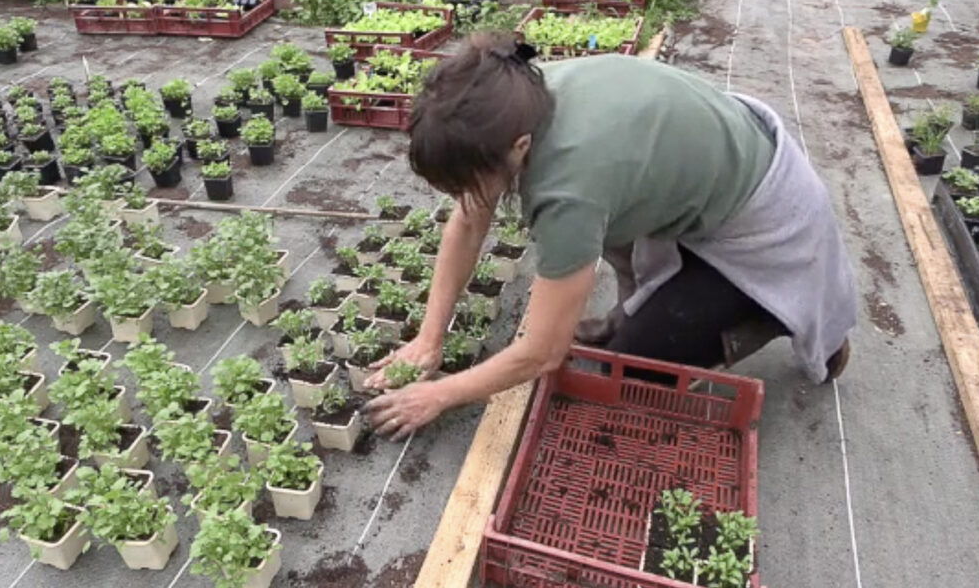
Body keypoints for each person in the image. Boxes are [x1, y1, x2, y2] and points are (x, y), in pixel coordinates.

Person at [362, 33, 857, 441]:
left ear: (520, 147)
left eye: (468, 183)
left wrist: (439, 394)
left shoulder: (568, 189)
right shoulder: (513, 100)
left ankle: (774, 312)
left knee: (637, 370)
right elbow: (469, 220)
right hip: (705, 178)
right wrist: (429, 340)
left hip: (767, 225)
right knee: (615, 316)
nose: (464, 197)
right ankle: (653, 305)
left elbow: (542, 352)